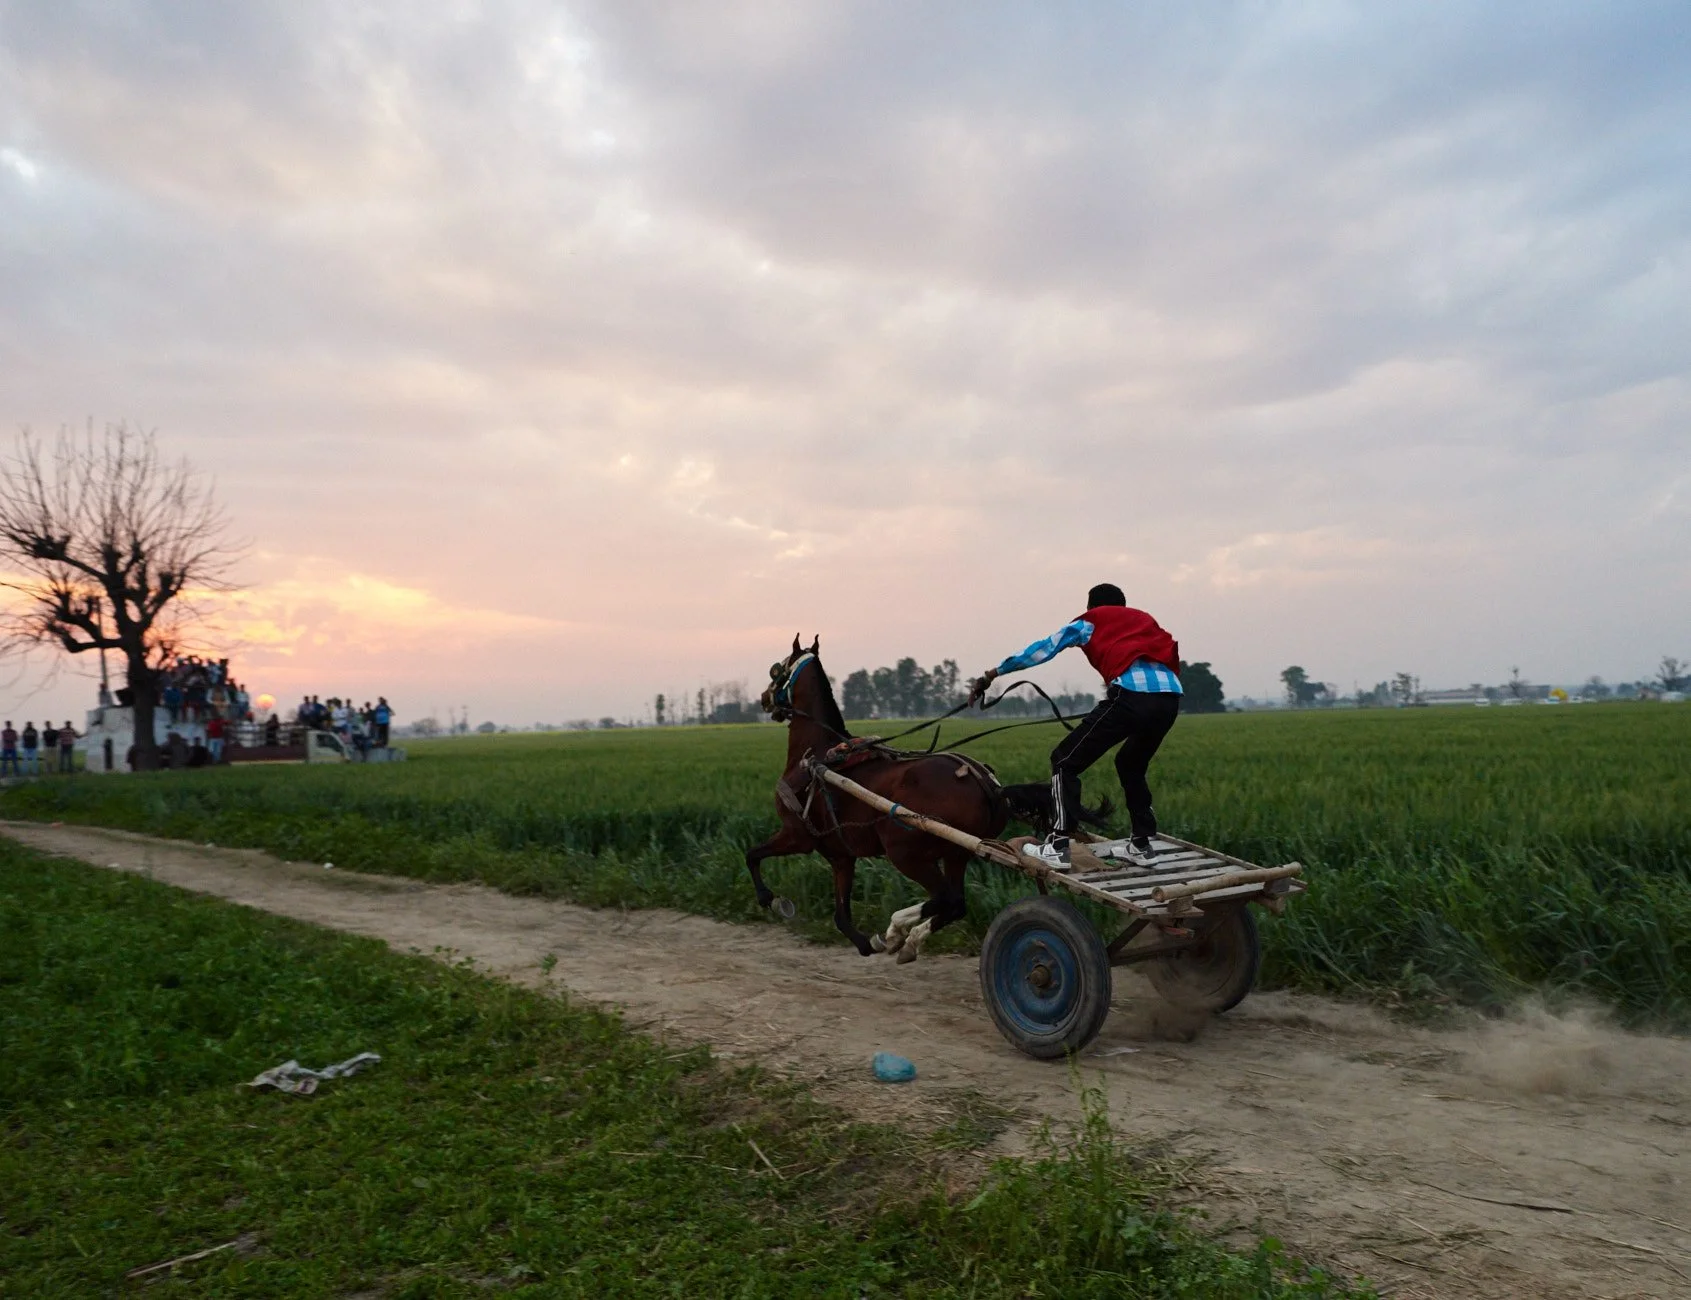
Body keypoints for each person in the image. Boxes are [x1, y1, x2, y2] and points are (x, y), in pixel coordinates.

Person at [970, 583, 1183, 870]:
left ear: (1092, 607)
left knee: (1064, 761)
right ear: (1123, 604)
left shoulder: (1091, 621)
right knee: (1130, 764)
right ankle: (1142, 844)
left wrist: (993, 673)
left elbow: (1044, 648)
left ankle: (1058, 845)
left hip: (1131, 696)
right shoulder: (1144, 620)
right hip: (1170, 698)